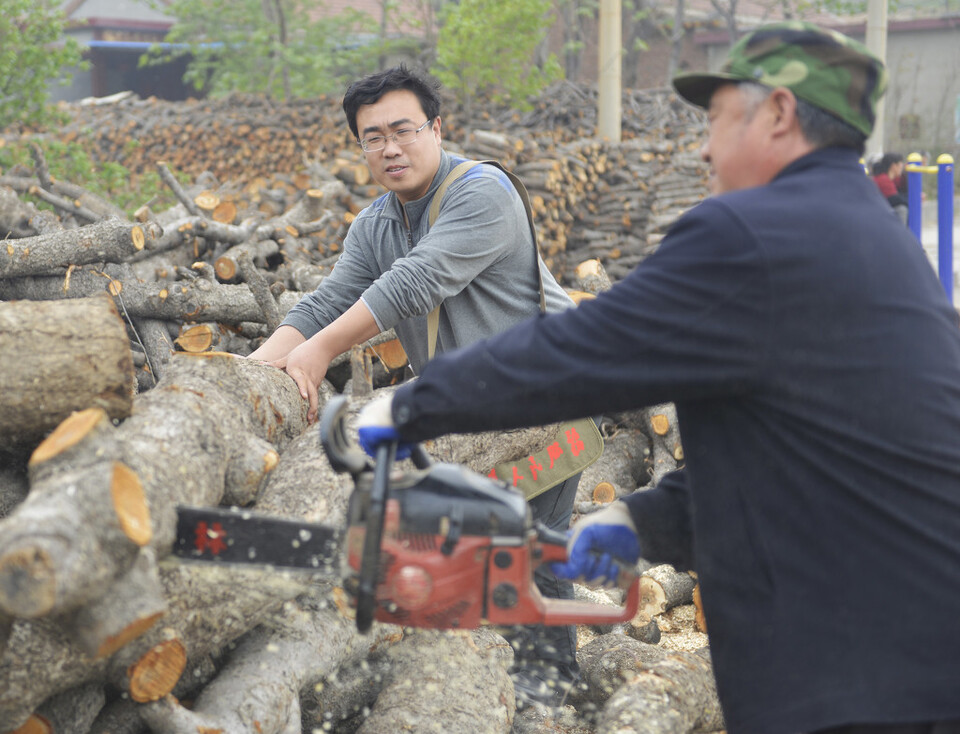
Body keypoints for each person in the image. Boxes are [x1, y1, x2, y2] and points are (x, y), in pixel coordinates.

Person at [356, 22, 960, 734]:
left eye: (715, 119)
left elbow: (585, 350)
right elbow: (808, 460)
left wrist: (413, 407)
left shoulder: (751, 235)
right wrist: (644, 519)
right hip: (914, 652)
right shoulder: (871, 235)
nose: (703, 146)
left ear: (778, 113)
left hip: (853, 677)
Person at [248, 64, 588, 706]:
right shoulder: (376, 223)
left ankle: (552, 694)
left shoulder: (482, 192)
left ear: (436, 127)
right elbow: (324, 305)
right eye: (372, 137)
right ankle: (479, 685)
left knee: (530, 553)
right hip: (467, 416)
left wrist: (320, 354)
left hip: (545, 401)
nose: (389, 148)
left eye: (403, 130)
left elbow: (416, 283)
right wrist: (259, 368)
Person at [871, 151, 909, 222]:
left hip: (881, 207)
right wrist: (912, 200)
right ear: (894, 166)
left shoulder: (892, 179)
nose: (902, 167)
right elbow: (894, 199)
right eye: (900, 165)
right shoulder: (883, 179)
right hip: (876, 210)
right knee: (902, 209)